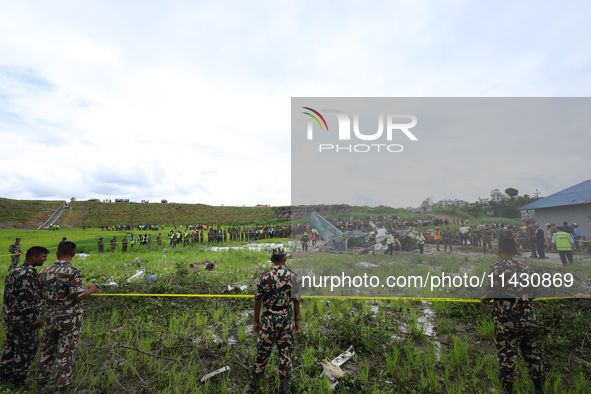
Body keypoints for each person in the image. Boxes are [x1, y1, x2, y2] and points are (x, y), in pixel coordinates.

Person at [480, 239, 545, 394]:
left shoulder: (496, 268)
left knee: (507, 355)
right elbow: (535, 294)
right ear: (517, 251)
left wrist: (484, 298)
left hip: (507, 321)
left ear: (499, 250)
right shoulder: (529, 269)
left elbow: (491, 293)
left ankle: (507, 389)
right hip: (529, 319)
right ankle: (539, 389)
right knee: (533, 355)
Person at [36, 241, 98, 393]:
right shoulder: (73, 271)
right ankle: (63, 386)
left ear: (56, 254)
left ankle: (40, 383)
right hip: (69, 319)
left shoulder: (44, 271)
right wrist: (91, 290)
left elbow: (38, 296)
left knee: (46, 350)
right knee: (65, 352)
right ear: (74, 254)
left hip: (50, 317)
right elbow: (77, 296)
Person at [248, 247, 300, 394]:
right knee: (286, 355)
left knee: (262, 353)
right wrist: (296, 322)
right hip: (287, 322)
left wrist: (256, 322)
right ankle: (283, 390)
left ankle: (254, 387)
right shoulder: (293, 277)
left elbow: (258, 302)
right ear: (285, 259)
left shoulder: (264, 277)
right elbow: (296, 302)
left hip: (268, 323)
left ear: (272, 259)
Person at [0, 246, 49, 389]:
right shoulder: (27, 274)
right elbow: (25, 298)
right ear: (34, 257)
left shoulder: (14, 271)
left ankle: (4, 376)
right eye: (43, 257)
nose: (45, 260)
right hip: (23, 320)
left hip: (11, 318)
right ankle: (18, 383)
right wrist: (33, 318)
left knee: (10, 347)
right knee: (26, 349)